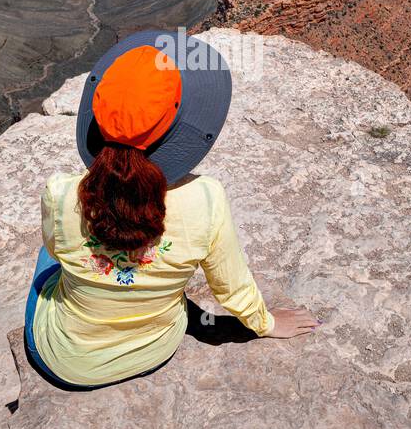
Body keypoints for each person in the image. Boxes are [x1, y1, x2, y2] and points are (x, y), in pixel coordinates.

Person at [23, 30, 317, 389]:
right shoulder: (206, 200)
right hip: (153, 352)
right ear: (174, 125)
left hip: (65, 363)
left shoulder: (61, 193)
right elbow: (231, 285)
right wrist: (266, 324)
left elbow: (56, 251)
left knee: (47, 259)